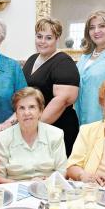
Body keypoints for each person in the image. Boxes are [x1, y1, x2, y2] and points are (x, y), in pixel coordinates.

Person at [22, 18, 80, 156]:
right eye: (39, 36)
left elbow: (62, 100)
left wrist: (34, 127)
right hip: (34, 125)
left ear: (57, 39)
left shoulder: (63, 62)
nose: (42, 41)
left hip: (57, 128)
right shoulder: (31, 59)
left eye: (48, 38)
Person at [0, 87, 67, 183]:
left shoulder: (56, 134)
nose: (26, 113)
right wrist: (27, 185)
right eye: (21, 108)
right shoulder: (3, 138)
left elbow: (62, 172)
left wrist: (46, 183)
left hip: (48, 189)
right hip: (15, 191)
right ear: (16, 113)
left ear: (40, 111)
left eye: (32, 107)